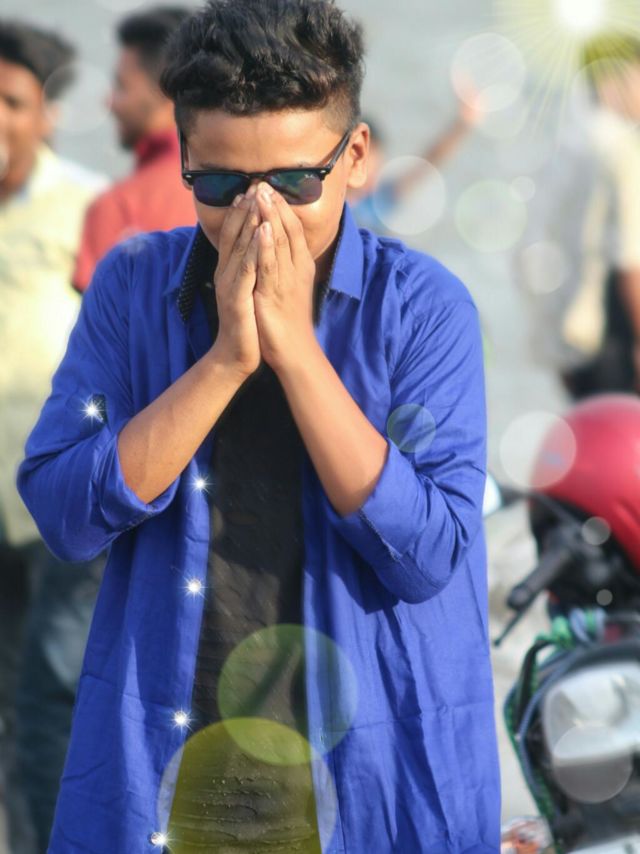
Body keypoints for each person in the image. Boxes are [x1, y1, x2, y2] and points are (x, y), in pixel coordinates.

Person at [17, 0, 501, 851]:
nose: (259, 214)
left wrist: (297, 352)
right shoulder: (133, 288)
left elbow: (429, 554)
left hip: (369, 779)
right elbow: (63, 514)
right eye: (222, 186)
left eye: (294, 183)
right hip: (170, 767)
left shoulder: (423, 309)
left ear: (354, 158)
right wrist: (224, 363)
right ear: (185, 161)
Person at [0, 19, 107, 854]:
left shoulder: (87, 204)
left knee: (55, 697)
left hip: (56, 505)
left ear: (47, 116)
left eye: (11, 102)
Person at [72, 5, 195, 293]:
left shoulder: (118, 205)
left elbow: (99, 315)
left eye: (121, 86)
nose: (110, 102)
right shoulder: (244, 183)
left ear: (165, 90)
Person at [348, 94, 483, 233]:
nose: (373, 177)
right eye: (367, 166)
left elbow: (429, 162)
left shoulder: (378, 201)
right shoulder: (336, 200)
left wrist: (462, 124)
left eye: (376, 169)